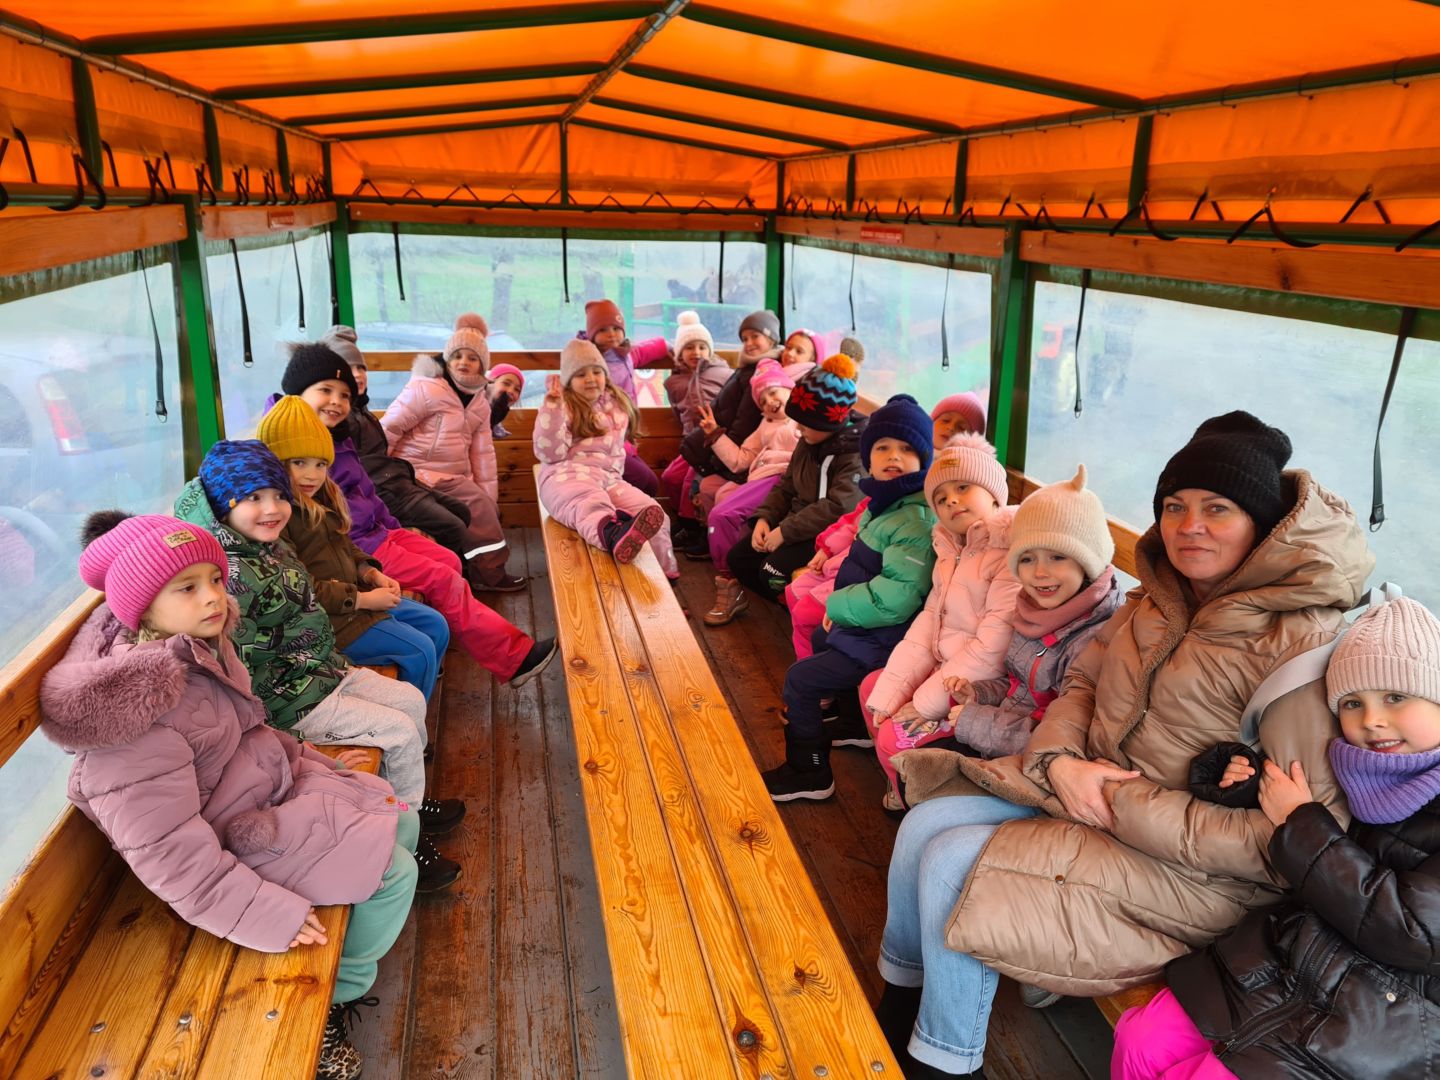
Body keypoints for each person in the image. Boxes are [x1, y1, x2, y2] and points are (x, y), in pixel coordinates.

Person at [876, 411, 1372, 1078]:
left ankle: (944, 1061)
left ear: (1261, 524)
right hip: (1091, 800)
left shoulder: (1302, 645)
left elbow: (1285, 846)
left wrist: (1117, 801)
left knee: (951, 861)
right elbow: (1082, 684)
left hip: (1196, 874)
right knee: (925, 825)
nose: (1189, 525)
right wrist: (1060, 764)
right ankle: (898, 1005)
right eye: (1175, 506)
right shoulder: (1158, 601)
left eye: (1217, 509)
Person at [41, 513, 419, 1080]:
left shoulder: (194, 651)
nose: (213, 596)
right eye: (187, 587)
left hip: (259, 795)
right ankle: (336, 998)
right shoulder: (136, 720)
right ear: (141, 607)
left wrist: (312, 763)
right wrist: (264, 913)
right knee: (394, 873)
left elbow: (248, 733)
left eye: (215, 579)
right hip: (230, 843)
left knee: (398, 815)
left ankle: (363, 905)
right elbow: (169, 852)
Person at [1113, 593, 1440, 1080]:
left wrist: (1302, 822)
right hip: (1290, 960)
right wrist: (1245, 786)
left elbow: (1415, 930)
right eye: (1353, 703)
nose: (1371, 720)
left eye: (1396, 697)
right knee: (1140, 1040)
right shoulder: (1360, 769)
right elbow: (1314, 821)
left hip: (1385, 1013)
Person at [274, 344, 556, 690]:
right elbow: (335, 525)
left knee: (449, 560)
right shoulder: (293, 447)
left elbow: (366, 491)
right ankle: (513, 657)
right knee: (443, 579)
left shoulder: (337, 435)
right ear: (297, 392)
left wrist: (395, 528)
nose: (336, 401)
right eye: (325, 390)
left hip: (378, 531)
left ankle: (438, 640)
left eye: (344, 395)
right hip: (357, 547)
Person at [874, 466, 1121, 811]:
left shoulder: (1091, 640)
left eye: (1058, 556)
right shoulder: (1033, 610)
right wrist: (977, 693)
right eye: (1027, 559)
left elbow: (1064, 736)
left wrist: (975, 720)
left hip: (1035, 770)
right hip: (996, 733)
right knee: (914, 770)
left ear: (1088, 560)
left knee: (916, 774)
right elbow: (1016, 685)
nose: (1040, 572)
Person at [761, 394, 936, 802]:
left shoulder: (914, 519)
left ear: (925, 459)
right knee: (821, 639)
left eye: (907, 449)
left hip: (886, 638)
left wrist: (838, 606)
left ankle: (809, 772)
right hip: (870, 630)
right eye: (883, 447)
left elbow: (896, 599)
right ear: (868, 457)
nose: (894, 456)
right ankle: (856, 726)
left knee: (800, 681)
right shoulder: (886, 504)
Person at [860, 435, 1021, 810]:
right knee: (872, 691)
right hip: (944, 667)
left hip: (978, 687)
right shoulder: (950, 550)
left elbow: (993, 649)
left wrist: (924, 703)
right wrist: (893, 694)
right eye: (941, 497)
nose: (951, 500)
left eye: (963, 488)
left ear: (994, 496)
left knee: (893, 738)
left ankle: (918, 801)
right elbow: (928, 623)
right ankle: (902, 781)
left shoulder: (1009, 555)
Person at [257, 394, 450, 704]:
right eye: (299, 462)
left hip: (352, 600)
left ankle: (413, 696)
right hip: (326, 622)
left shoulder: (322, 497)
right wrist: (362, 599)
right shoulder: (276, 518)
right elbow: (299, 589)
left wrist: (369, 572)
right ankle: (406, 718)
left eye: (320, 464)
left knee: (436, 625)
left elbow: (344, 544)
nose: (311, 475)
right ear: (274, 463)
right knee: (419, 650)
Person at [321, 326, 483, 580]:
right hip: (385, 492)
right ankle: (451, 576)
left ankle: (456, 573)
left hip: (397, 481)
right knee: (452, 526)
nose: (359, 375)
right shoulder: (340, 420)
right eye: (351, 370)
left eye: (362, 368)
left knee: (461, 511)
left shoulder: (362, 410)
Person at [380, 314, 523, 592]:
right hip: (415, 471)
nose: (463, 362)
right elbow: (389, 429)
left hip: (452, 476)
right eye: (457, 355)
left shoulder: (479, 401)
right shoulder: (427, 389)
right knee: (478, 507)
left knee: (483, 505)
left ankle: (472, 567)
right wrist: (383, 475)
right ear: (446, 360)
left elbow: (482, 454)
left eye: (472, 357)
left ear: (483, 366)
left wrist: (489, 496)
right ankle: (489, 574)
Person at [726, 354, 865, 605]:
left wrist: (785, 532)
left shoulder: (853, 455)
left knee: (771, 572)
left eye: (805, 424)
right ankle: (785, 603)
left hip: (826, 534)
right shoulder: (809, 440)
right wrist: (765, 518)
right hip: (796, 523)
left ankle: (798, 608)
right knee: (739, 558)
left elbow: (838, 507)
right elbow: (786, 484)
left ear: (829, 423)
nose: (798, 430)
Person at [534, 339, 679, 576]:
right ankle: (611, 534)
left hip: (608, 479)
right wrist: (552, 408)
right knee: (589, 501)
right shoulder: (563, 406)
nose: (591, 378)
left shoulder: (616, 404)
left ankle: (664, 575)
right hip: (565, 478)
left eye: (596, 371)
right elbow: (550, 454)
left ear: (605, 375)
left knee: (654, 512)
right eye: (581, 374)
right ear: (569, 381)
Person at [700, 358, 799, 626]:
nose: (769, 401)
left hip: (781, 478)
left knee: (722, 515)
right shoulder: (765, 425)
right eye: (762, 400)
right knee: (718, 503)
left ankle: (729, 581)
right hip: (759, 477)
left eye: (773, 391)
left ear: (790, 389)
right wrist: (715, 435)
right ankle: (730, 581)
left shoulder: (800, 422)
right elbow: (740, 460)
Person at [579, 298, 668, 495]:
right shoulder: (591, 363)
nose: (611, 334)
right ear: (592, 334)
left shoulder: (623, 355)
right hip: (605, 439)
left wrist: (667, 346)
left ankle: (627, 511)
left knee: (641, 484)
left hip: (625, 435)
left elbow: (643, 351)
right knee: (647, 482)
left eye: (616, 328)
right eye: (603, 330)